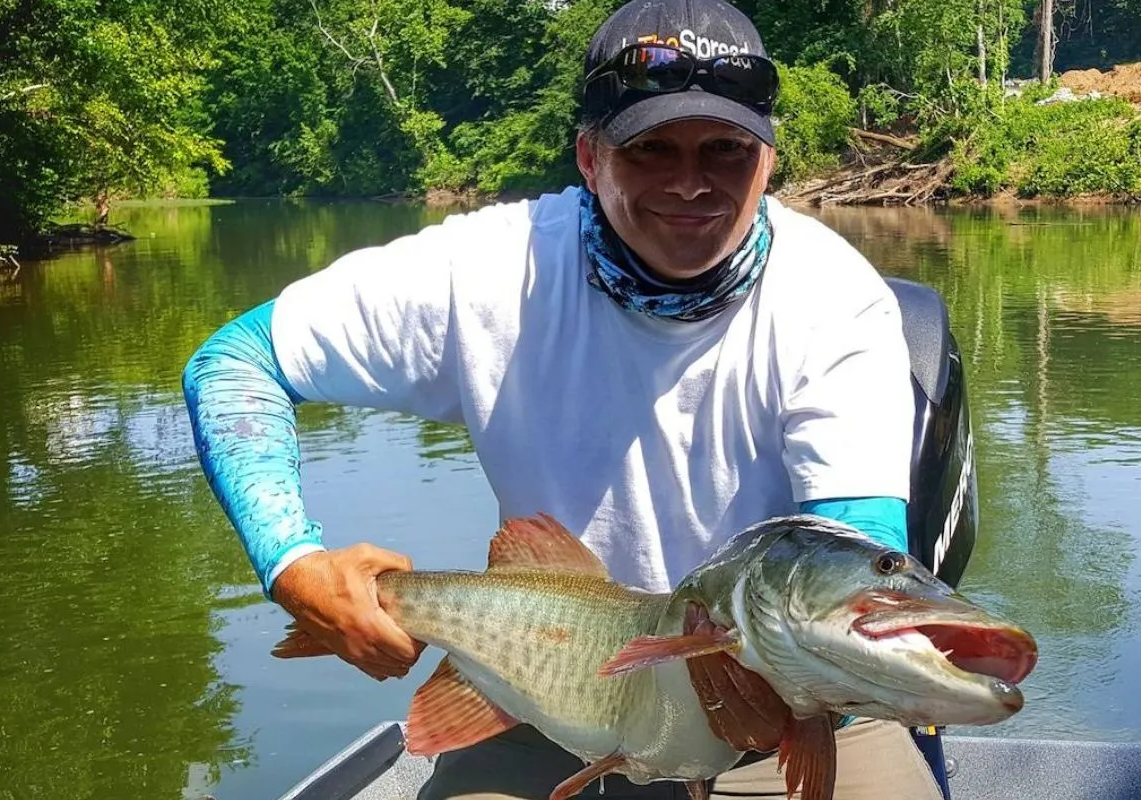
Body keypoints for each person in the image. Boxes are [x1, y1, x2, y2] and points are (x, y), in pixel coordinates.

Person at [181, 0, 944, 797]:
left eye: (725, 149)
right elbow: (237, 359)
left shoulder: (837, 300)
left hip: (792, 718)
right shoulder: (487, 272)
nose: (692, 183)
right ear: (589, 157)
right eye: (651, 149)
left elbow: (854, 564)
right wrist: (291, 563)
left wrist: (799, 688)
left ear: (767, 159)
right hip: (550, 697)